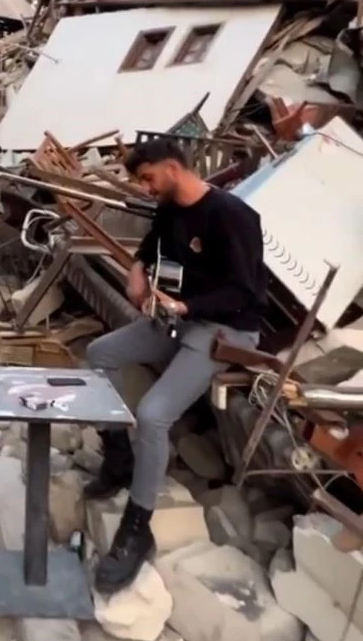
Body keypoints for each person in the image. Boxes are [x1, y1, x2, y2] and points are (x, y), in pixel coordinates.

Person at [86, 137, 266, 596]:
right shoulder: (169, 208)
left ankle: (138, 525)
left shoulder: (232, 215)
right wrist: (136, 270)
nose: (145, 189)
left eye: (148, 179)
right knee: (98, 355)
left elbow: (245, 293)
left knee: (152, 413)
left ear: (172, 168)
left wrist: (186, 306)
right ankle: (121, 456)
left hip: (225, 330)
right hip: (175, 317)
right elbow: (149, 247)